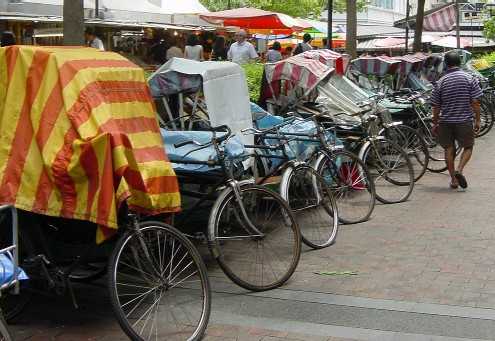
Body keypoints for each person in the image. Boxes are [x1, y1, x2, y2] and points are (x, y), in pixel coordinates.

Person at [431, 50, 482, 189]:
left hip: (446, 121)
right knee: (468, 146)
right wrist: (478, 120)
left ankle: (453, 179)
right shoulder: (469, 78)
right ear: (460, 62)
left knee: (448, 149)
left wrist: (435, 123)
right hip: (464, 120)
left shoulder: (441, 82)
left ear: (446, 64)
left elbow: (436, 106)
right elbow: (475, 102)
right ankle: (459, 169)